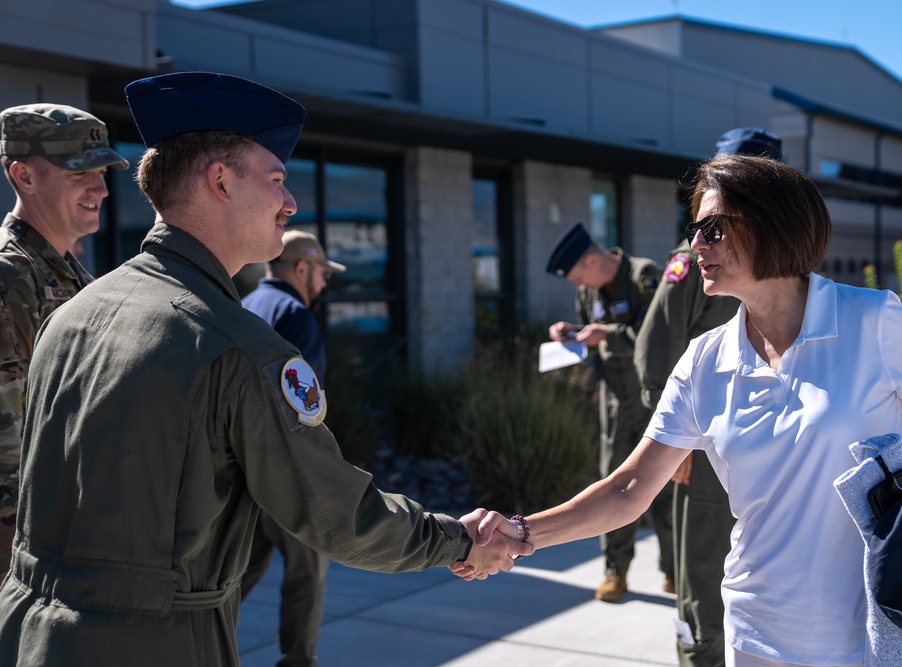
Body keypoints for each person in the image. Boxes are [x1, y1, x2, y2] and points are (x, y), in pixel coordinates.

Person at [0, 71, 530, 666]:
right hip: (154, 644)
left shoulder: (74, 314)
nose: (291, 202)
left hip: (27, 634)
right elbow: (337, 515)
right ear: (220, 181)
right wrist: (459, 541)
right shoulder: (238, 347)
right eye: (276, 179)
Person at [467, 154, 902, 667]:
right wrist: (523, 533)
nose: (695, 245)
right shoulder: (705, 359)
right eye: (694, 230)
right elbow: (628, 489)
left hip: (877, 627)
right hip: (756, 632)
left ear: (771, 225)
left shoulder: (873, 320)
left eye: (712, 229)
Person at [633, 127, 782, 667]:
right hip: (706, 451)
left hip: (770, 452)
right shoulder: (695, 260)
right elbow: (653, 350)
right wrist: (677, 444)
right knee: (701, 578)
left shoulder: (787, 261)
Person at [0, 104, 128, 578]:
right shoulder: (9, 276)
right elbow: (8, 439)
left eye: (102, 172)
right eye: (81, 173)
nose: (101, 188)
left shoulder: (69, 274)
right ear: (24, 176)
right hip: (24, 552)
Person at [546, 222, 674, 602]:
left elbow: (661, 338)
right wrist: (575, 332)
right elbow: (594, 331)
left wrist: (609, 335)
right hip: (616, 403)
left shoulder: (644, 276)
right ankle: (615, 571)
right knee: (611, 487)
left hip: (654, 399)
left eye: (577, 275)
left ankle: (673, 570)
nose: (576, 285)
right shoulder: (589, 292)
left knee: (665, 485)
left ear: (591, 258)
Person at [240, 229, 345, 667]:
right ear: (302, 269)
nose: (323, 284)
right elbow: (304, 410)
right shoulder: (295, 314)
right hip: (282, 472)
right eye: (321, 273)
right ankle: (298, 660)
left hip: (238, 467)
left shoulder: (244, 307)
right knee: (308, 569)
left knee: (242, 569)